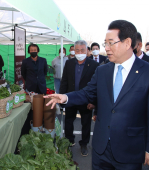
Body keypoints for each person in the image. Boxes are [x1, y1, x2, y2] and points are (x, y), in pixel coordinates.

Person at [44, 20, 149, 169]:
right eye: (105, 43)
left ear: (127, 43)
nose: (106, 48)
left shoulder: (146, 71)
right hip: (101, 149)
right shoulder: (103, 70)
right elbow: (87, 93)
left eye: (111, 43)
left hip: (129, 150)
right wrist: (66, 97)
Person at [60, 40, 99, 156]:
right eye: (77, 50)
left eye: (82, 50)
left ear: (87, 51)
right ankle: (69, 141)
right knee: (68, 121)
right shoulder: (69, 63)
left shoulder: (94, 65)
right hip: (70, 98)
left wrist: (93, 102)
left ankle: (84, 144)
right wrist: (62, 98)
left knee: (86, 123)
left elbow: (96, 86)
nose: (80, 52)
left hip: (86, 101)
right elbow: (64, 81)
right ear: (74, 51)